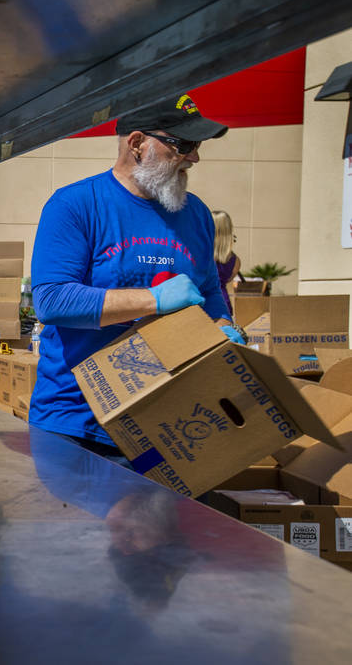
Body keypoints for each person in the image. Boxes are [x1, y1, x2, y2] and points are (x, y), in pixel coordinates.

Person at [29, 93, 243, 456]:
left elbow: (209, 293)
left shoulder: (198, 215)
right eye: (183, 145)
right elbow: (52, 301)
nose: (194, 157)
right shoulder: (76, 205)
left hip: (165, 423)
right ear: (137, 143)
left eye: (197, 145)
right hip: (77, 422)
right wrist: (154, 301)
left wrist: (222, 327)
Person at [212, 210, 241, 318]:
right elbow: (228, 279)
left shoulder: (200, 255)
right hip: (224, 305)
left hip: (203, 305)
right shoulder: (235, 260)